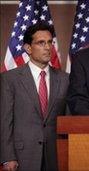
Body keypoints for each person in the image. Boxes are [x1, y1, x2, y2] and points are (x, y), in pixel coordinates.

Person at [0, 23, 69, 171]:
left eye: (50, 42)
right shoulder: (9, 79)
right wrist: (7, 157)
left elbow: (68, 120)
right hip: (22, 156)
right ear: (28, 48)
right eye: (41, 42)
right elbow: (5, 121)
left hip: (56, 155)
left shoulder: (66, 79)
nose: (47, 47)